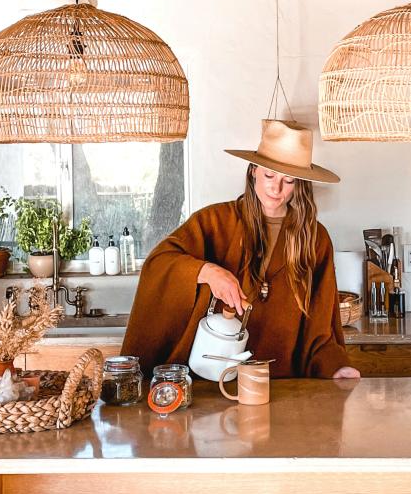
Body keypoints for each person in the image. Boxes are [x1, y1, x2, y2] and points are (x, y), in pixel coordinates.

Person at [123, 120, 360, 379]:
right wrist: (206, 271)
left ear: (300, 184)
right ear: (253, 171)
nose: (275, 188)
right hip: (210, 388)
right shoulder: (213, 221)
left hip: (280, 388)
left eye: (288, 180)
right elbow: (158, 264)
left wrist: (338, 367)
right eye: (269, 175)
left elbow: (321, 330)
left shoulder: (315, 239)